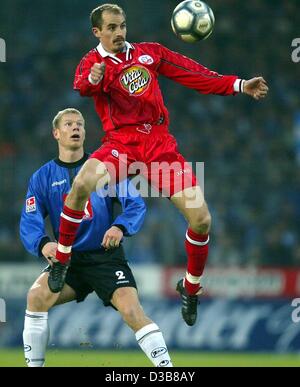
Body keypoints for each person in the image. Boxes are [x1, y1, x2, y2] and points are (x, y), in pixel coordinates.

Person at [52, 4, 269, 326]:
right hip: (121, 145)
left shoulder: (150, 53)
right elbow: (83, 85)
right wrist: (94, 78)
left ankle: (191, 287)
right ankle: (62, 258)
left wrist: (238, 85)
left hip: (159, 148)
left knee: (201, 219)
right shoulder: (92, 62)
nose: (119, 32)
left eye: (122, 25)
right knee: (80, 186)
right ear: (97, 32)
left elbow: (193, 73)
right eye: (111, 27)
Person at [20, 108, 173, 367]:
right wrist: (43, 243)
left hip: (106, 259)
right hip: (68, 260)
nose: (76, 128)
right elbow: (30, 219)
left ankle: (167, 370)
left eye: (79, 124)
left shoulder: (107, 169)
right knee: (35, 297)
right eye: (68, 124)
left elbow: (135, 205)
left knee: (132, 312)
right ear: (56, 133)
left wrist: (120, 227)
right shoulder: (42, 177)